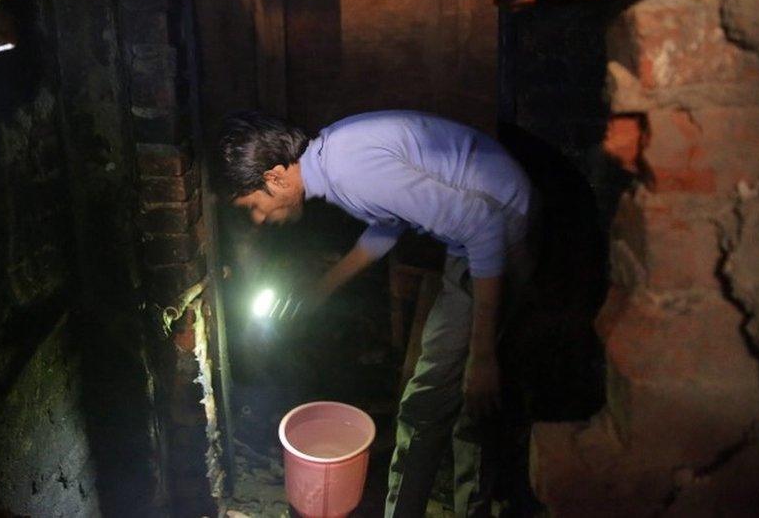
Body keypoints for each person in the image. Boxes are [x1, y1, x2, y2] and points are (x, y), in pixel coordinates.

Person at [219, 110, 537, 517]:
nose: (259, 218)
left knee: (446, 403)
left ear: (276, 177)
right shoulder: (335, 158)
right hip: (483, 235)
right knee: (444, 403)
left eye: (255, 206)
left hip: (499, 236)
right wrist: (321, 289)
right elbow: (389, 223)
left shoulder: (351, 171)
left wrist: (483, 355)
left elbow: (484, 224)